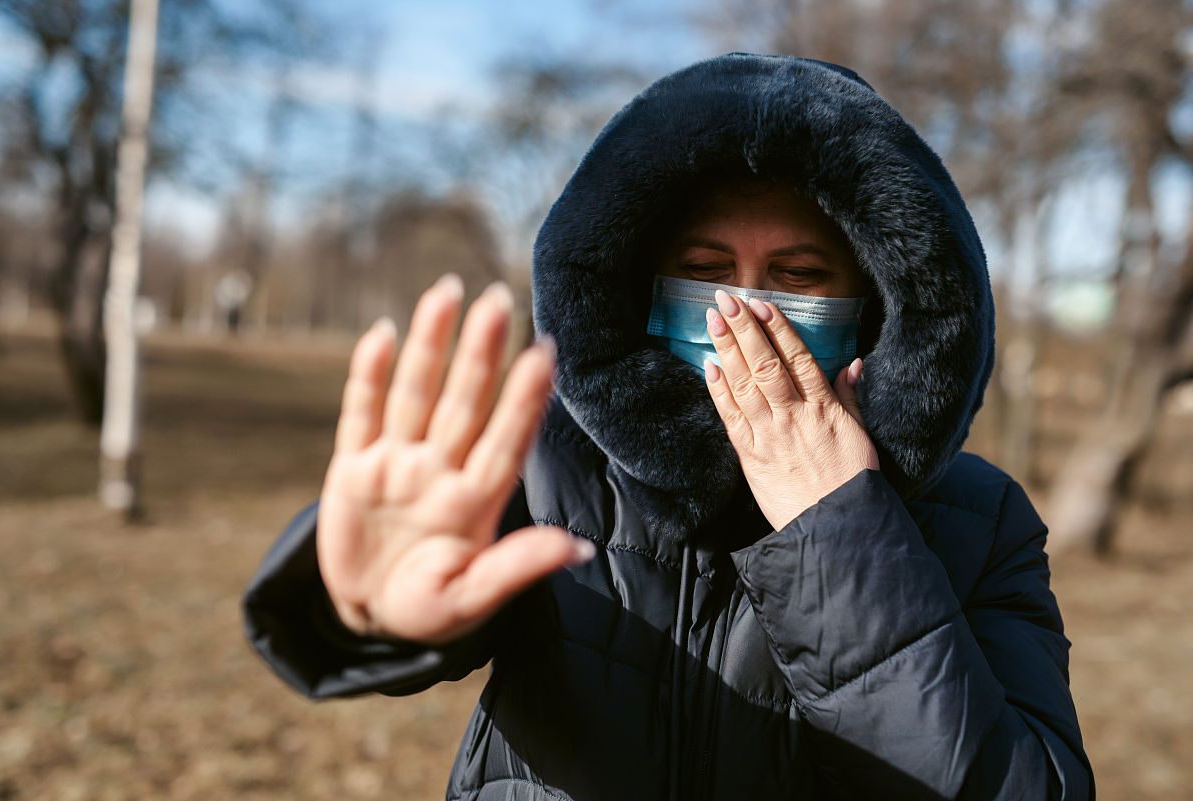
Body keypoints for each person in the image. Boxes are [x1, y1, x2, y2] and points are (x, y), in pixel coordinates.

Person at [242, 54, 1093, 800]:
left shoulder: (982, 522)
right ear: (642, 286)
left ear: (872, 302)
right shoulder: (553, 462)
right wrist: (360, 606)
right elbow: (418, 585)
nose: (745, 309)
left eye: (799, 274)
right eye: (704, 270)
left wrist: (839, 530)